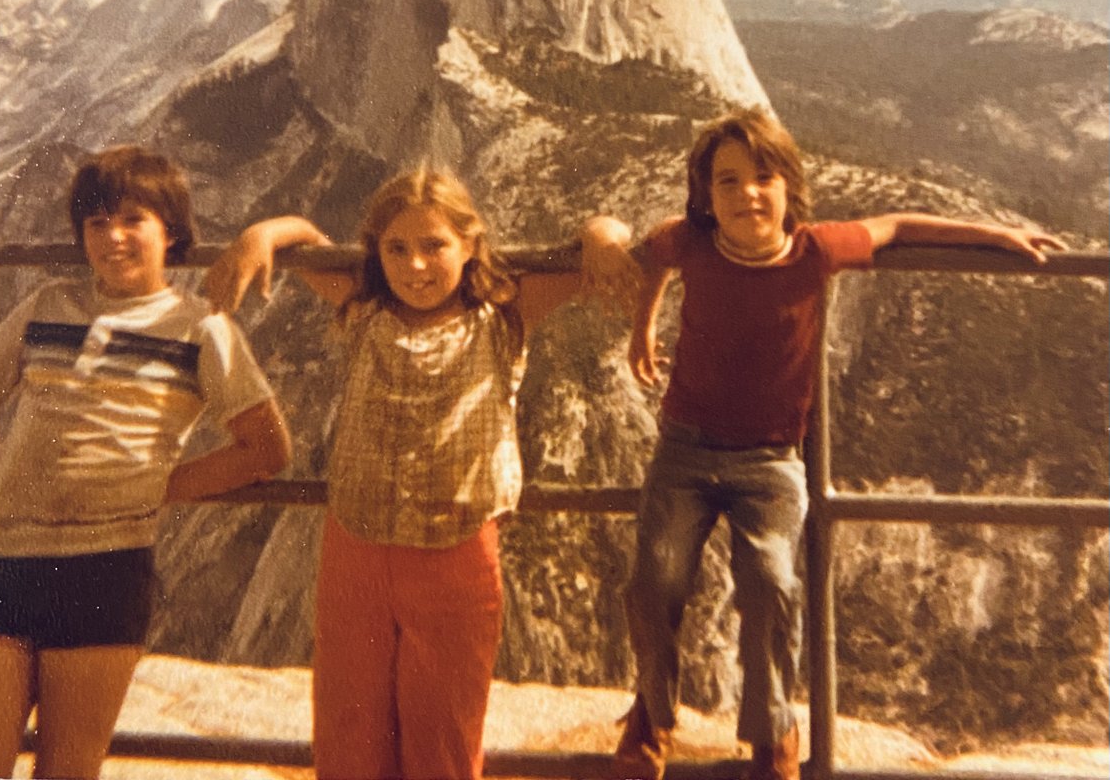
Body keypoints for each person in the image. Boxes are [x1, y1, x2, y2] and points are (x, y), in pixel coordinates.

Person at [612, 108, 1064, 780]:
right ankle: (651, 720)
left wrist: (994, 232)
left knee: (770, 585)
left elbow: (900, 226)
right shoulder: (692, 242)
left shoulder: (814, 252)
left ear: (789, 187)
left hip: (768, 461)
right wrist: (643, 326)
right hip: (683, 450)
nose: (746, 194)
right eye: (727, 181)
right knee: (653, 581)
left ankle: (773, 735)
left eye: (762, 177)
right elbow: (647, 256)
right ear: (705, 196)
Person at [203, 166, 634, 780]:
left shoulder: (504, 314)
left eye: (435, 246)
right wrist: (260, 236)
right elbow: (303, 241)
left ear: (470, 243)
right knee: (348, 731)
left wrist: (601, 233)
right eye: (396, 248)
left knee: (445, 737)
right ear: (375, 252)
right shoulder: (365, 305)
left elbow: (598, 239)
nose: (416, 266)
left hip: (456, 554)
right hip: (357, 547)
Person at [0, 145, 292, 780]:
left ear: (172, 231)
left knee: (68, 770)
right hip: (0, 560)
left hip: (104, 571)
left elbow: (266, 448)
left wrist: (154, 489)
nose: (114, 237)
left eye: (134, 219)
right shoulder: (48, 305)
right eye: (97, 223)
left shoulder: (202, 329)